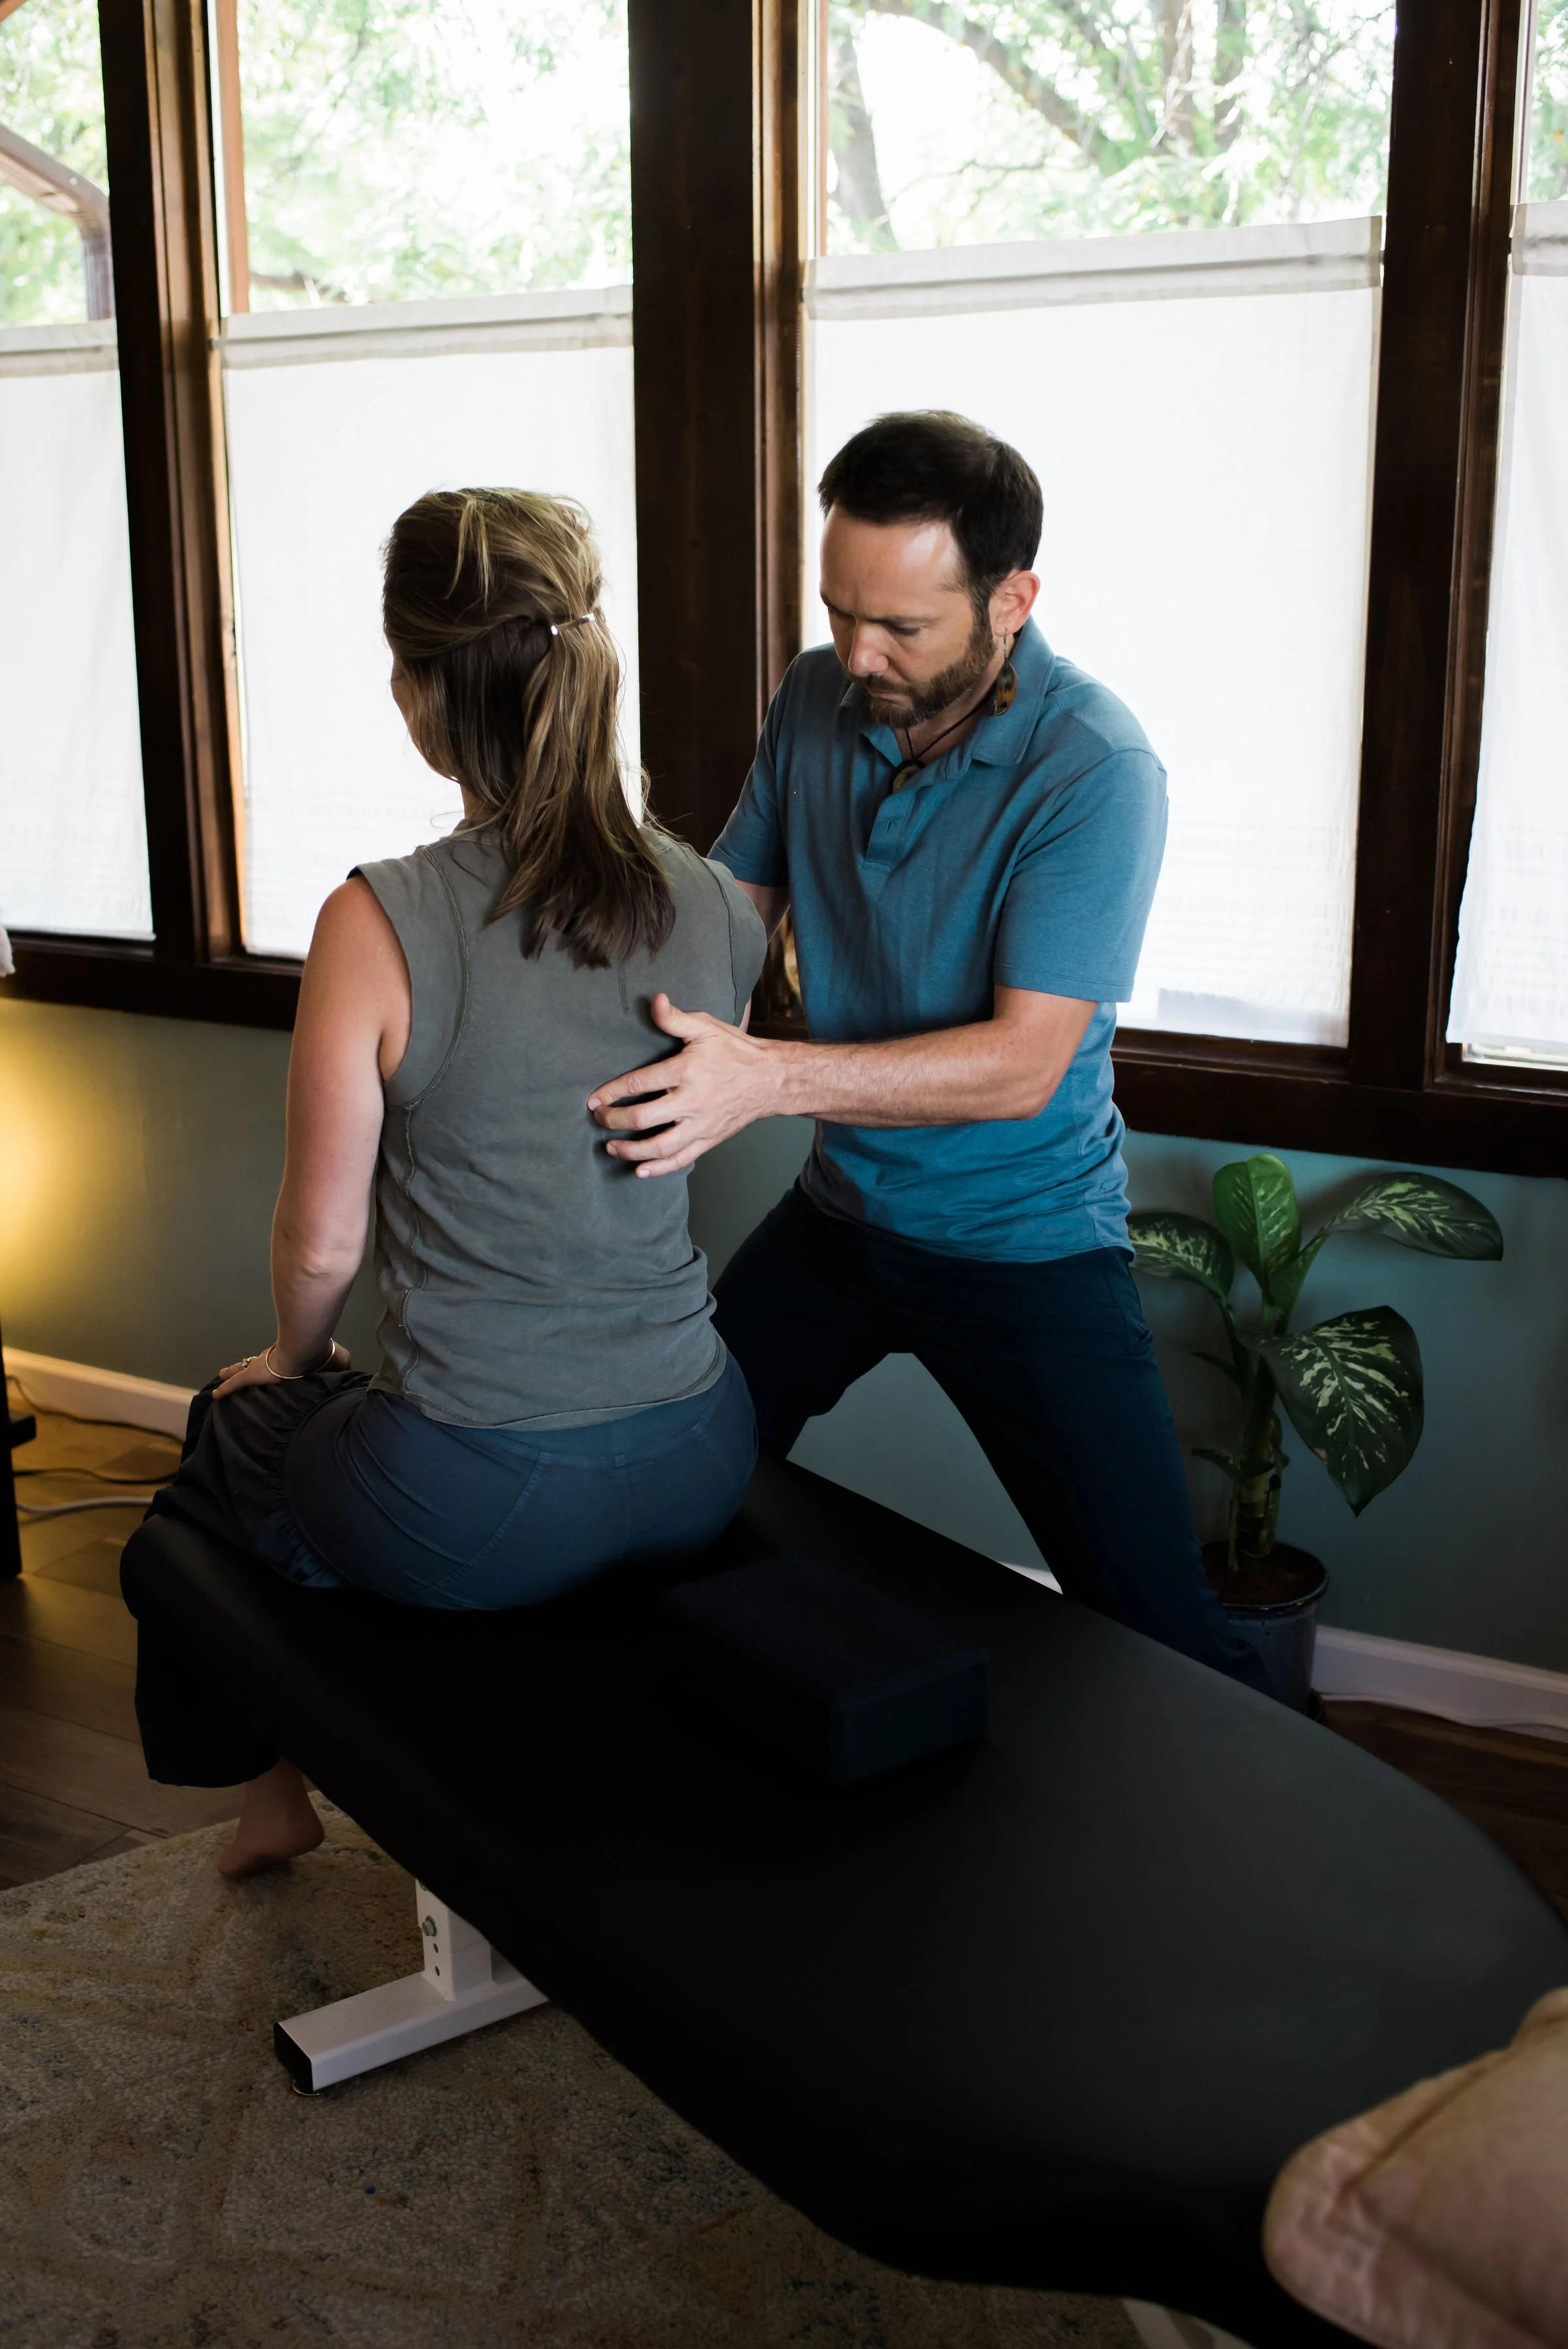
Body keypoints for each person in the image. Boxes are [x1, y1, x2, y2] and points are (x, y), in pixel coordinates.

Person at [123, 487, 767, 1877]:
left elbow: (318, 1244)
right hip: (699, 1448)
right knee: (327, 1434)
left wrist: (284, 1366)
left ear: (417, 694)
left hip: (480, 1498)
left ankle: (270, 1796)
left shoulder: (378, 918)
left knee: (221, 1455)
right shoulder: (717, 902)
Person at [587, 410, 1269, 1694]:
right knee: (668, 1473)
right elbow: (737, 906)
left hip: (1027, 1244)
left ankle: (1299, 1849)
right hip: (841, 1221)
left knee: (1158, 1625)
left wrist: (769, 1076)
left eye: (901, 627)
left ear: (1012, 598)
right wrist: (584, 970)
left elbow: (1021, 1066)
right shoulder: (814, 694)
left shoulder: (1095, 770)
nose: (858, 653)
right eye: (841, 612)